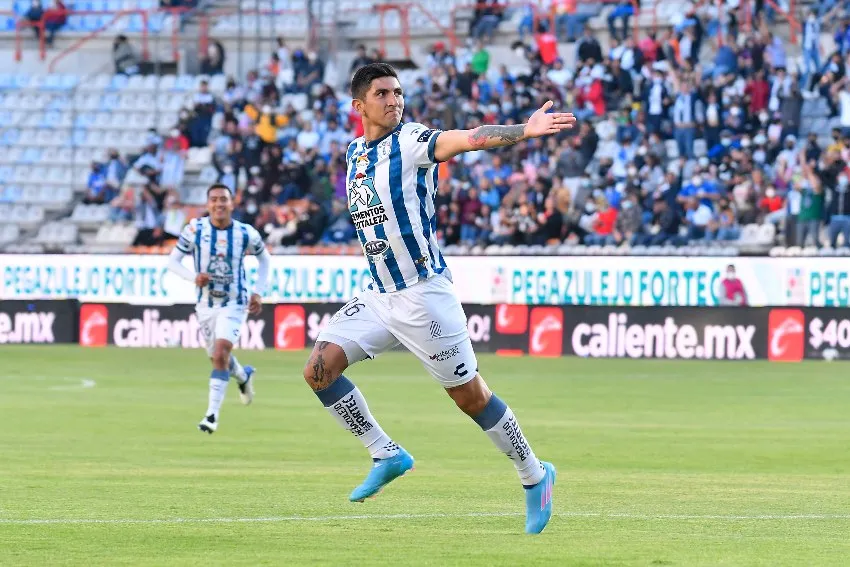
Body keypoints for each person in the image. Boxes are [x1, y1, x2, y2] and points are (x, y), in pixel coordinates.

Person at [303, 63, 576, 534]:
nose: (394, 100)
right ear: (359, 105)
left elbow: (467, 139)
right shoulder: (354, 154)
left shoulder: (411, 140)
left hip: (424, 297)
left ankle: (535, 474)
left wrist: (523, 131)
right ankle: (385, 453)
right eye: (382, 93)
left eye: (397, 92)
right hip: (380, 295)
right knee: (319, 370)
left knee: (470, 397)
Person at [167, 184, 270, 434]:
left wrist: (258, 291)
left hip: (235, 303)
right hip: (205, 304)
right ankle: (243, 376)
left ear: (232, 204)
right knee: (217, 357)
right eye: (214, 199)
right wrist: (193, 277)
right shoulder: (195, 229)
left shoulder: (245, 233)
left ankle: (211, 416)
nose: (218, 204)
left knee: (222, 350)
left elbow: (265, 259)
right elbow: (173, 262)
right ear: (208, 204)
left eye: (223, 199)